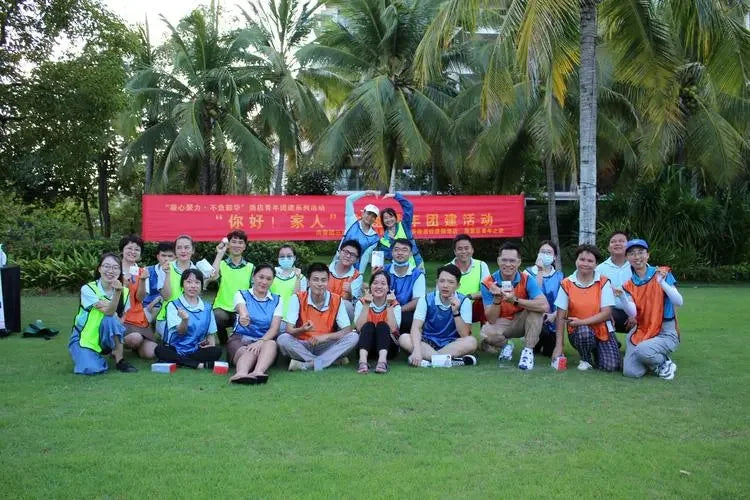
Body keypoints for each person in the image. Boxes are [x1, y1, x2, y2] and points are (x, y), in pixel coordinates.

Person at [277, 262, 358, 371]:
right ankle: (328, 361)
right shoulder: (297, 298)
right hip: (303, 345)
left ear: (328, 282)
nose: (320, 284)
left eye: (323, 280)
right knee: (283, 339)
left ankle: (308, 365)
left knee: (353, 337)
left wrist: (325, 337)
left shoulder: (336, 299)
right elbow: (289, 329)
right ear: (308, 282)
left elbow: (346, 330)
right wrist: (302, 329)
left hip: (326, 345)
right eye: (315, 280)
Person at [480, 241, 547, 370]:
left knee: (536, 310)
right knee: (486, 333)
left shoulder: (527, 279)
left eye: (512, 261)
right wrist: (497, 299)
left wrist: (515, 300)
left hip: (522, 319)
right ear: (498, 261)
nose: (508, 264)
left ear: (519, 262)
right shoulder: (488, 283)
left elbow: (544, 305)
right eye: (504, 260)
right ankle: (507, 345)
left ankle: (528, 351)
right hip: (502, 321)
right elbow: (491, 319)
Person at [621, 239, 683, 380]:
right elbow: (632, 313)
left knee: (642, 350)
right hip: (642, 329)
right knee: (631, 372)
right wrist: (622, 298)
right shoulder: (629, 284)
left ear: (647, 255)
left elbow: (679, 301)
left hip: (665, 332)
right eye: (632, 254)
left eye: (640, 252)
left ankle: (663, 362)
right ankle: (652, 359)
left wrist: (661, 283)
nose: (637, 257)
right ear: (627, 258)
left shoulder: (661, 273)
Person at [552, 245, 620, 372]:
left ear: (596, 264)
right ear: (576, 261)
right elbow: (560, 316)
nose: (585, 263)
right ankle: (586, 359)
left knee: (611, 367)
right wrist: (559, 346)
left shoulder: (604, 282)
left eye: (590, 261)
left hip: (602, 330)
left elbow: (606, 313)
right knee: (584, 331)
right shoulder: (566, 283)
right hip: (579, 332)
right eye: (582, 259)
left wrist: (581, 321)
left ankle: (600, 350)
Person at [68, 253, 138, 374]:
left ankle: (120, 359)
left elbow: (120, 319)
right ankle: (93, 356)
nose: (110, 271)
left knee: (111, 319)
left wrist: (110, 306)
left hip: (106, 334)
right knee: (91, 369)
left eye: (115, 267)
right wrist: (115, 299)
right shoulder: (88, 289)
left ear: (120, 271)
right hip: (85, 337)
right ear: (99, 269)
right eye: (106, 266)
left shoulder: (125, 292)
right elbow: (110, 312)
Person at [399, 264, 478, 367]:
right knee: (404, 338)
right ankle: (446, 361)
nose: (445, 285)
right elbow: (416, 327)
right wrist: (417, 351)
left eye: (450, 282)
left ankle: (430, 361)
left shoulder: (464, 301)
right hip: (427, 342)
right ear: (437, 282)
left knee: (471, 341)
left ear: (458, 285)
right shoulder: (425, 299)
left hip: (451, 343)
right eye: (442, 281)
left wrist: (456, 312)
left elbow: (464, 334)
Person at [155, 269, 223, 369]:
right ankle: (198, 364)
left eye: (197, 282)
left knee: (217, 351)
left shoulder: (207, 307)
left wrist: (211, 344)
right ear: (182, 285)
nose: (193, 286)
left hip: (196, 349)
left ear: (202, 286)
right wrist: (185, 320)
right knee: (160, 349)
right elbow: (180, 332)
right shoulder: (173, 305)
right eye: (189, 282)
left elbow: (211, 333)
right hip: (175, 348)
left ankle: (179, 361)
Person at [227, 264, 283, 384]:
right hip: (241, 339)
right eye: (261, 277)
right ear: (253, 277)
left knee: (271, 343)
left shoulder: (277, 300)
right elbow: (242, 309)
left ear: (272, 281)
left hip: (264, 341)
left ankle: (258, 372)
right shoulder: (241, 294)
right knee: (249, 351)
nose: (264, 282)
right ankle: (240, 374)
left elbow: (274, 329)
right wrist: (244, 316)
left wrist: (260, 342)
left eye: (268, 279)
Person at [211, 230, 254, 344]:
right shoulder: (221, 264)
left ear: (244, 246)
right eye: (233, 242)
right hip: (222, 308)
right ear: (228, 244)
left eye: (240, 242)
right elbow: (212, 276)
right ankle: (223, 341)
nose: (236, 245)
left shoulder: (251, 267)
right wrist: (219, 254)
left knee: (239, 340)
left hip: (241, 309)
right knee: (217, 317)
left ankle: (234, 341)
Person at [355, 270, 401, 374]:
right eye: (375, 283)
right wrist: (367, 304)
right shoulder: (361, 303)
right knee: (368, 325)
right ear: (370, 286)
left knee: (382, 325)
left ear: (388, 288)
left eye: (383, 284)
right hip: (366, 347)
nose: (379, 286)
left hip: (388, 349)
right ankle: (362, 362)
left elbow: (393, 329)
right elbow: (359, 327)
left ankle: (382, 362)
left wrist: (389, 305)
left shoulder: (395, 305)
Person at [119, 234, 158, 359]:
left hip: (138, 318)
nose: (133, 252)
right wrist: (123, 286)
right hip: (119, 318)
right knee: (135, 338)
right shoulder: (114, 269)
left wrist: (142, 280)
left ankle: (136, 346)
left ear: (140, 253)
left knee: (151, 353)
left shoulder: (142, 272)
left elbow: (140, 299)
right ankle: (115, 346)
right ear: (122, 250)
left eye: (137, 249)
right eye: (129, 248)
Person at [525, 240, 564, 357]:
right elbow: (535, 294)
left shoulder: (560, 276)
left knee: (549, 352)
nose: (545, 255)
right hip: (533, 317)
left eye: (549, 252)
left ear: (554, 257)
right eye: (542, 252)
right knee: (534, 345)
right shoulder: (527, 273)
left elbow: (564, 302)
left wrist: (554, 315)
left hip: (552, 320)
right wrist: (540, 270)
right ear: (538, 254)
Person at [155, 235, 199, 337]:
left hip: (190, 315)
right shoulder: (165, 268)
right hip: (167, 316)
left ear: (193, 250)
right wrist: (168, 274)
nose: (183, 251)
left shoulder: (197, 270)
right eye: (179, 248)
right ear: (175, 251)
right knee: (178, 338)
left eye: (186, 247)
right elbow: (166, 297)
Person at [384, 238, 425, 334]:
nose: (400, 253)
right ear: (392, 252)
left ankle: (400, 339)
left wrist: (397, 310)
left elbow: (417, 300)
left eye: (404, 250)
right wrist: (374, 276)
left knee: (408, 320)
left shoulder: (417, 274)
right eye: (396, 249)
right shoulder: (384, 270)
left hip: (404, 311)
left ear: (410, 254)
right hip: (384, 309)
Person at [596, 231, 633, 333]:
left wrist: (635, 315)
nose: (617, 243)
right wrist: (605, 313)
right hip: (612, 312)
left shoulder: (637, 265)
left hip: (636, 312)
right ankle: (610, 341)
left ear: (628, 246)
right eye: (613, 241)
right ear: (608, 248)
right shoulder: (600, 269)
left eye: (621, 241)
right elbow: (595, 294)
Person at [450, 234, 491, 325]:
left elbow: (488, 289)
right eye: (460, 249)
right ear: (455, 252)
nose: (463, 251)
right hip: (453, 306)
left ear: (472, 250)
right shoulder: (447, 268)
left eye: (466, 248)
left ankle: (486, 332)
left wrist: (468, 297)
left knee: (486, 300)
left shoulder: (481, 265)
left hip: (473, 307)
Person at [336, 190, 381, 273]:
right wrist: (365, 193)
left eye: (373, 216)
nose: (370, 218)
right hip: (338, 261)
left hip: (354, 268)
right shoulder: (352, 221)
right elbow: (349, 200)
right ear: (363, 213)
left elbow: (365, 256)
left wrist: (360, 274)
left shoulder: (374, 238)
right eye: (368, 214)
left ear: (375, 219)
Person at [377, 192, 423, 268]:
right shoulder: (383, 240)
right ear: (382, 221)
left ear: (395, 218)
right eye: (385, 218)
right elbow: (389, 256)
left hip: (416, 264)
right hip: (399, 269)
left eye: (391, 216)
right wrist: (392, 241)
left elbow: (409, 206)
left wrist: (395, 195)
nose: (389, 220)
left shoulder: (404, 225)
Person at [270, 244, 307, 322]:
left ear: (294, 258)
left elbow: (299, 299)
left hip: (291, 321)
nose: (285, 258)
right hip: (271, 319)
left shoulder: (301, 278)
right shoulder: (271, 274)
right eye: (282, 256)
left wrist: (297, 278)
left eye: (289, 256)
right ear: (278, 258)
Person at [328, 239, 363, 321]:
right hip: (322, 307)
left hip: (341, 313)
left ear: (357, 259)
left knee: (347, 305)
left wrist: (349, 292)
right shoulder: (325, 270)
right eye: (346, 252)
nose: (348, 256)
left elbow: (349, 302)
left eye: (352, 254)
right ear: (339, 252)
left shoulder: (357, 277)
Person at [141, 241, 175, 324]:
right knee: (155, 308)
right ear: (158, 257)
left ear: (175, 257)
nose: (166, 259)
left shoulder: (178, 272)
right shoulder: (148, 271)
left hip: (172, 307)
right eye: (163, 255)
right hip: (150, 307)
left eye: (170, 256)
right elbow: (143, 297)